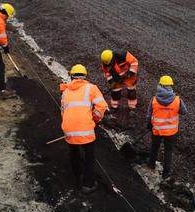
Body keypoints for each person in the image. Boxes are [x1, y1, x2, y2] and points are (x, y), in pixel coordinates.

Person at [60, 64, 108, 193]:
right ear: (85, 76)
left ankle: (77, 174)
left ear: (71, 76)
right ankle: (88, 184)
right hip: (85, 129)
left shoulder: (65, 92)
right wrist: (94, 119)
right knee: (90, 156)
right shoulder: (91, 88)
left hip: (69, 129)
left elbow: (63, 112)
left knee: (74, 152)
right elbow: (102, 107)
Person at [146, 75, 187, 180]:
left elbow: (149, 114)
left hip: (157, 130)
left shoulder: (154, 99)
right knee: (168, 152)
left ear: (160, 85)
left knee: (154, 147)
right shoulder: (177, 100)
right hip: (171, 132)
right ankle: (166, 173)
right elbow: (184, 112)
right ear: (170, 86)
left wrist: (149, 124)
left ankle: (151, 164)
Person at [100, 49, 139, 115]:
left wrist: (129, 73)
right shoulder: (105, 64)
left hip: (129, 74)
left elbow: (134, 62)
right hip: (116, 78)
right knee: (115, 91)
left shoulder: (122, 55)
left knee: (131, 90)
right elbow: (107, 73)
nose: (109, 65)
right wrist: (111, 82)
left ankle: (132, 108)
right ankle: (114, 107)